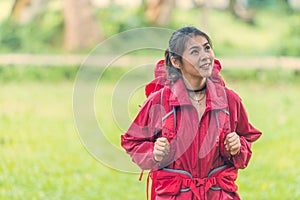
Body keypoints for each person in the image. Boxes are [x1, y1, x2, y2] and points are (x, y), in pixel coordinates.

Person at [121, 26, 261, 200]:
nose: (205, 56)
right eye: (195, 52)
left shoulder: (229, 100)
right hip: (175, 195)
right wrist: (153, 152)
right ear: (176, 62)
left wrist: (238, 146)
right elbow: (132, 142)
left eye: (207, 48)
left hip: (218, 194)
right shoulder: (159, 101)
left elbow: (246, 138)